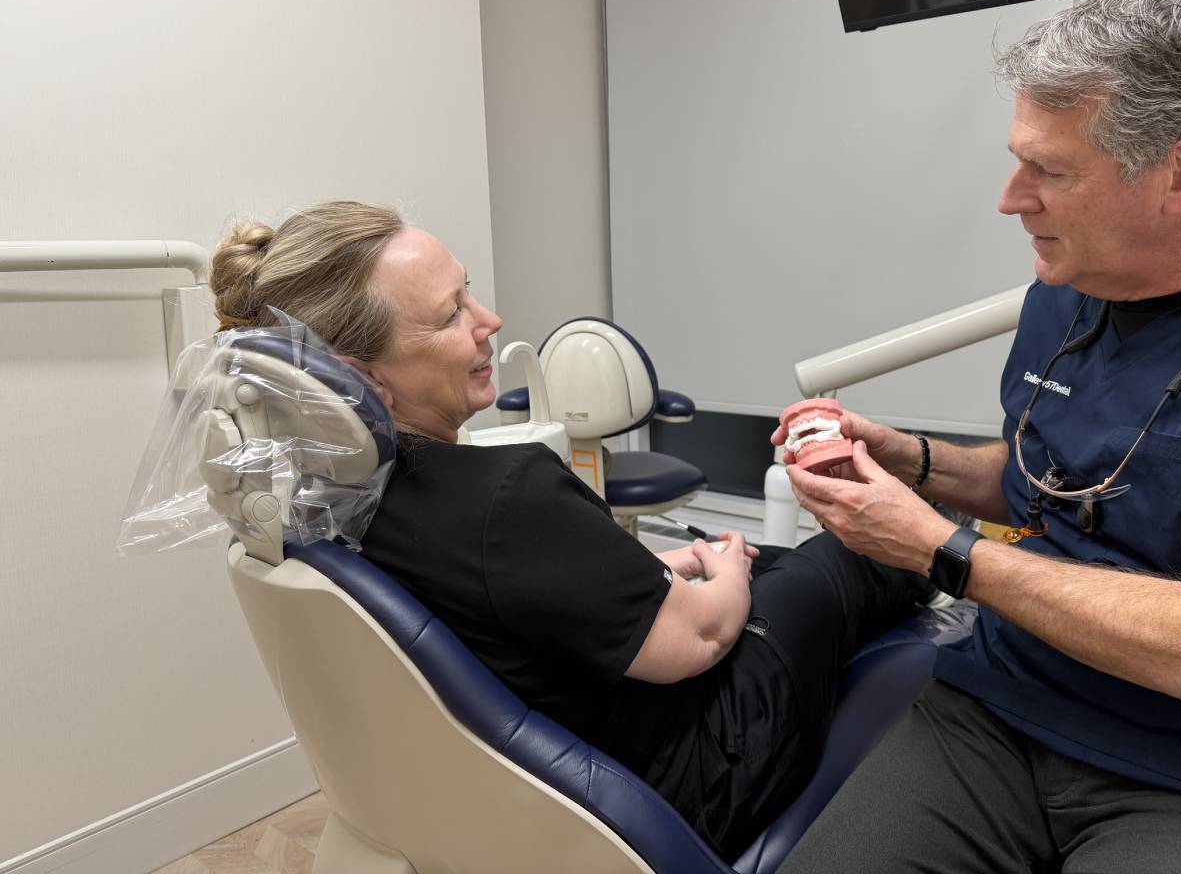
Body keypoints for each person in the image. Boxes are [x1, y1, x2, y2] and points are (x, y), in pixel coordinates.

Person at [774, 0, 1181, 872]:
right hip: (1004, 706)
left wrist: (936, 549)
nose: (1011, 197)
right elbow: (1056, 480)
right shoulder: (1069, 284)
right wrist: (912, 460)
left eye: (1052, 170)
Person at [207, 201, 930, 859]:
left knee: (766, 564)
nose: (490, 320)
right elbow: (701, 638)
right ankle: (954, 587)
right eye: (452, 314)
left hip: (545, 775)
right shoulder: (503, 496)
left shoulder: (325, 508)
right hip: (695, 776)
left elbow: (511, 605)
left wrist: (663, 573)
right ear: (360, 378)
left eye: (469, 293)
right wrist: (732, 571)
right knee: (839, 557)